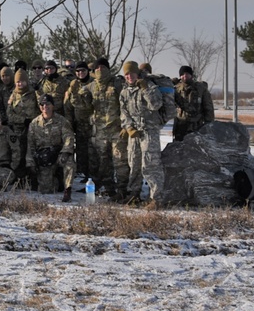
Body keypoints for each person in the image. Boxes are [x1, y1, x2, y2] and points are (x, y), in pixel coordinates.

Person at [119, 60, 164, 205]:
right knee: (134, 164)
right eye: (126, 74)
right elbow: (123, 113)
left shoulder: (148, 86)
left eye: (131, 73)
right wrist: (128, 127)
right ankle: (134, 194)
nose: (129, 76)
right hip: (134, 134)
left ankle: (156, 198)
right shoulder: (124, 92)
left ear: (137, 73)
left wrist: (145, 89)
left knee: (151, 165)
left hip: (149, 132)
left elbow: (156, 104)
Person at [84, 58, 128, 200]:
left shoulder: (117, 83)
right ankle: (109, 188)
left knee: (120, 161)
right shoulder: (91, 87)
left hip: (117, 129)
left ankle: (123, 190)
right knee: (103, 162)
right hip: (100, 131)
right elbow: (85, 108)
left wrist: (126, 125)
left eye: (103, 67)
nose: (100, 70)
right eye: (97, 68)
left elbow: (126, 105)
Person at [64, 60, 94, 180]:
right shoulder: (73, 85)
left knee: (93, 152)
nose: (80, 73)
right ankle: (84, 175)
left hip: (92, 124)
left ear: (87, 71)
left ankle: (93, 176)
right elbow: (68, 106)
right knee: (81, 151)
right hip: (79, 123)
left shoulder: (93, 84)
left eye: (83, 70)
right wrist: (70, 123)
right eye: (78, 71)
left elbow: (93, 104)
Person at [173, 65, 214, 141]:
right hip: (180, 126)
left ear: (191, 75)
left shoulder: (200, 88)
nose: (185, 76)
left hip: (196, 126)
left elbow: (208, 107)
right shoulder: (176, 89)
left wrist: (208, 124)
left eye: (187, 74)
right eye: (182, 74)